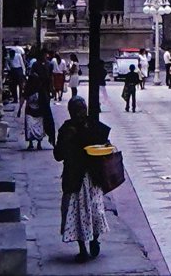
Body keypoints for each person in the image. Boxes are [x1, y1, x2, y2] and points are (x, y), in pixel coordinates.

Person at [53, 97, 111, 263]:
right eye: (76, 109)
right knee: (76, 212)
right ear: (71, 112)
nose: (80, 113)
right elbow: (58, 155)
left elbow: (104, 143)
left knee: (95, 210)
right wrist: (67, 139)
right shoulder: (67, 129)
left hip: (92, 177)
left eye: (82, 108)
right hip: (74, 178)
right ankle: (82, 248)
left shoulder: (92, 125)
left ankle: (94, 239)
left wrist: (106, 145)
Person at [20, 71, 48, 150]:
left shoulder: (37, 89)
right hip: (34, 111)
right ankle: (34, 143)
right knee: (34, 127)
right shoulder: (33, 89)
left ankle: (35, 143)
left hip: (34, 111)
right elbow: (23, 98)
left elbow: (23, 98)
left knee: (33, 127)